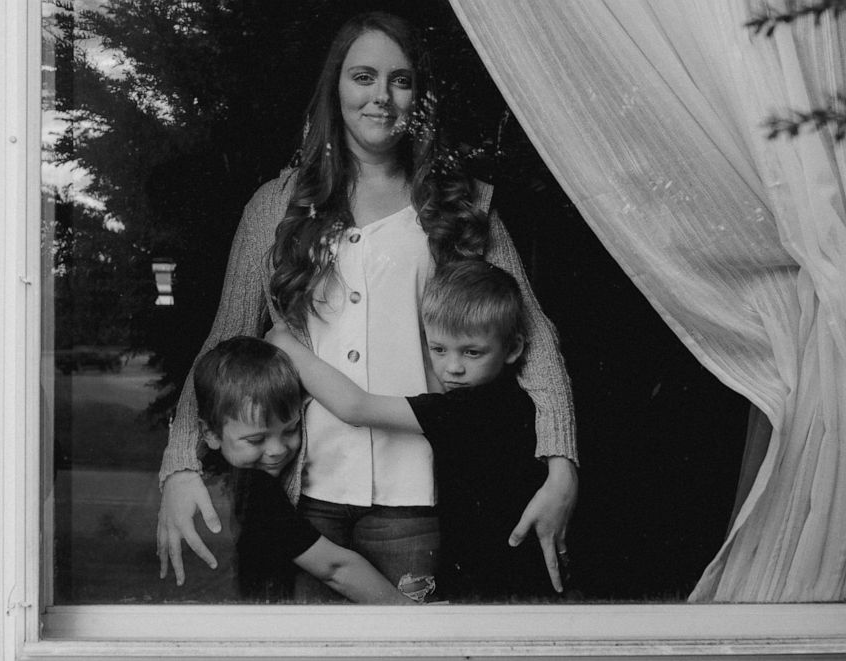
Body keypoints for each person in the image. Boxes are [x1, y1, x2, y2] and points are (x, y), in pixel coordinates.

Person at [157, 11, 578, 598]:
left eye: (400, 80)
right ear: (336, 88)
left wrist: (562, 467)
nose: (381, 95)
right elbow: (224, 340)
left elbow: (535, 340)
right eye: (363, 76)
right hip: (307, 493)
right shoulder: (275, 206)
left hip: (417, 500)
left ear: (419, 97)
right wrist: (180, 465)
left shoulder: (467, 206)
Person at [268, 259, 555, 600]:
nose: (453, 367)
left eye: (472, 352)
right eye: (438, 349)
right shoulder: (490, 397)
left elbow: (354, 406)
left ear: (515, 349)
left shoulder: (474, 408)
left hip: (496, 573)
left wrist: (284, 344)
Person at [192, 336, 414, 604]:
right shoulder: (256, 489)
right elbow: (335, 569)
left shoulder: (221, 476)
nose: (277, 449)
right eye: (256, 439)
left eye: (291, 430)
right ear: (210, 433)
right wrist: (405, 612)